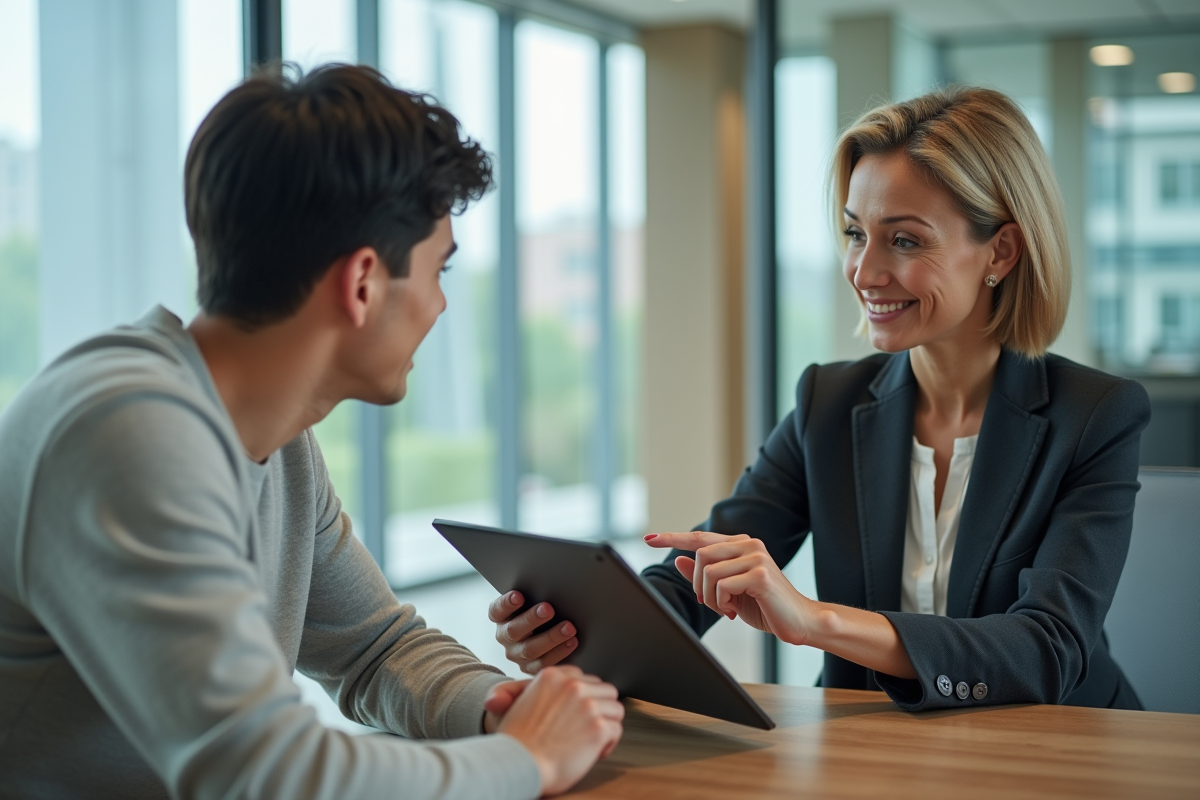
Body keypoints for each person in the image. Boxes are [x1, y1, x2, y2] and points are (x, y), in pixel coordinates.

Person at [0, 64, 623, 800]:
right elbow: (264, 772)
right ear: (362, 284)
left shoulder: (276, 439)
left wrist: (500, 708)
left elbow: (373, 649)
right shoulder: (127, 433)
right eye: (438, 272)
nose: (440, 306)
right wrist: (528, 760)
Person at [491, 86, 1150, 711]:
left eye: (905, 240)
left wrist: (815, 621)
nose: (863, 271)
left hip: (1060, 746)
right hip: (875, 743)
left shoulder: (1095, 417)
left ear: (1000, 251)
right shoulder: (828, 404)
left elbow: (1048, 648)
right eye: (856, 233)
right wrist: (578, 635)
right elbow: (702, 569)